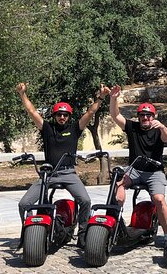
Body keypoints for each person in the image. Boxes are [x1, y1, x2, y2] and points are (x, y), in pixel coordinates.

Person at [16, 82, 109, 247]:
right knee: (24, 204)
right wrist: (22, 94)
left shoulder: (74, 128)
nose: (62, 117)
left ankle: (82, 235)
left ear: (69, 116)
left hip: (69, 173)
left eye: (65, 115)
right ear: (54, 115)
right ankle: (30, 233)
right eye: (59, 114)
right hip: (48, 174)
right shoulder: (47, 128)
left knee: (85, 201)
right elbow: (31, 111)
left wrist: (101, 97)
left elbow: (90, 112)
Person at [109, 85, 167, 235]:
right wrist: (113, 98)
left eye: (148, 115)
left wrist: (162, 127)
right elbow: (115, 115)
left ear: (154, 117)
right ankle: (116, 224)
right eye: (142, 115)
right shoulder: (133, 127)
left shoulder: (159, 130)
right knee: (118, 186)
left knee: (159, 199)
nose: (145, 118)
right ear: (138, 117)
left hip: (154, 172)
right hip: (135, 170)